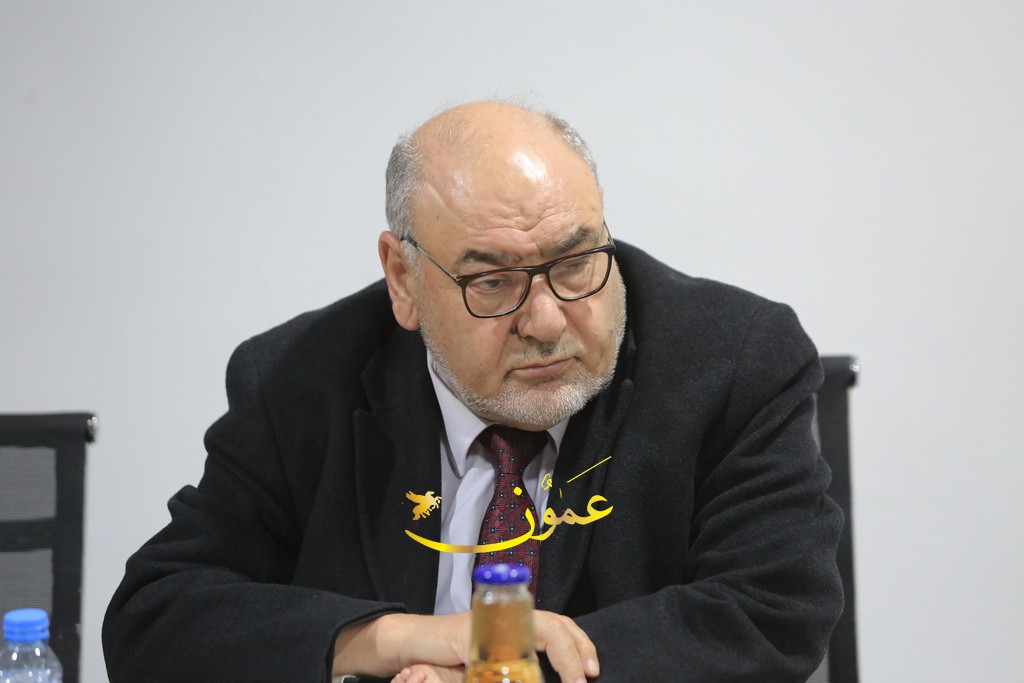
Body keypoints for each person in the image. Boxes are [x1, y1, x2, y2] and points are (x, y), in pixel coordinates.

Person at [103, 100, 843, 683]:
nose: (546, 320)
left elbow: (772, 608)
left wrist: (503, 669)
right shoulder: (300, 380)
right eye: (492, 281)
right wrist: (395, 639)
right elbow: (158, 616)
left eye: (576, 262)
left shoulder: (733, 360)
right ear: (403, 280)